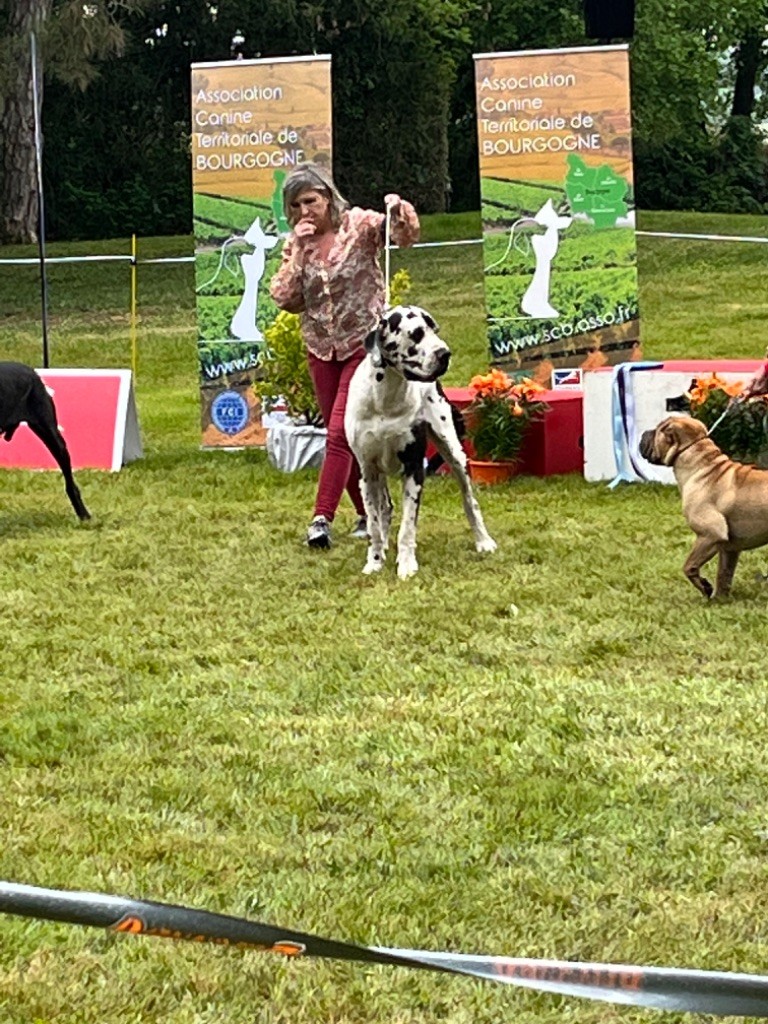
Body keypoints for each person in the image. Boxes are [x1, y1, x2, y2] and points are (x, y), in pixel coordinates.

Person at [269, 162, 420, 549]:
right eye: (296, 205)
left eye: (311, 201)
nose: (304, 211)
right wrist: (298, 252)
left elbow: (401, 237)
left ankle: (321, 519)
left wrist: (399, 212)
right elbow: (284, 298)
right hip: (321, 347)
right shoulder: (295, 244)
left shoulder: (358, 224)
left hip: (363, 344)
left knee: (339, 431)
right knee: (346, 435)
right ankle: (368, 513)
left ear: (328, 197)